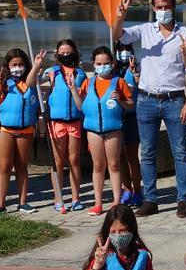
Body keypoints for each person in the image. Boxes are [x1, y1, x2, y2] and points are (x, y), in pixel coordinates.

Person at [111, 0, 186, 218]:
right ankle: (150, 200)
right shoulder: (145, 30)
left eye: (166, 7)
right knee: (147, 152)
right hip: (147, 99)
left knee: (180, 152)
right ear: (153, 8)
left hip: (175, 99)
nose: (162, 11)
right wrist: (120, 16)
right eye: (158, 7)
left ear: (173, 7)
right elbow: (119, 35)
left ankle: (183, 200)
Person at [74, 46, 136, 215]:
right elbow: (81, 106)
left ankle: (117, 201)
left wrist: (121, 100)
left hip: (113, 129)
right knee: (98, 165)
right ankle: (98, 202)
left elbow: (131, 105)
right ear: (93, 64)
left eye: (106, 63)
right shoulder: (88, 83)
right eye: (99, 63)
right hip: (93, 130)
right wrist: (73, 89)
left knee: (114, 164)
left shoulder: (119, 82)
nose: (103, 66)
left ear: (112, 63)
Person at [0, 47, 44, 215]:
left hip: (25, 130)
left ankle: (23, 202)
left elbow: (28, 84)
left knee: (21, 166)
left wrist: (35, 66)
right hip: (5, 130)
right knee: (5, 167)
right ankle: (0, 205)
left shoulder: (32, 80)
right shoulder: (3, 82)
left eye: (21, 64)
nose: (17, 67)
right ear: (8, 65)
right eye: (14, 64)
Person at [82, 205, 159, 270]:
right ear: (107, 232)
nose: (118, 236)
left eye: (123, 230)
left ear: (131, 230)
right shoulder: (103, 256)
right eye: (113, 232)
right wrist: (98, 264)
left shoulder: (142, 256)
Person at [46, 38, 86, 213]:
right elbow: (31, 81)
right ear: (57, 55)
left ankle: (76, 198)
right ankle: (58, 198)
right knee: (58, 161)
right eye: (62, 53)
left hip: (74, 121)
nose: (66, 56)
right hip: (57, 122)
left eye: (69, 53)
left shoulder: (81, 74)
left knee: (74, 160)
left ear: (75, 53)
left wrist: (74, 89)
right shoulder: (52, 72)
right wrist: (36, 65)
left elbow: (82, 101)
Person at [114, 41, 142, 205]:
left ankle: (137, 190)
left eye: (126, 50)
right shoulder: (113, 69)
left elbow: (141, 86)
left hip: (132, 116)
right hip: (116, 117)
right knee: (120, 157)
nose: (123, 53)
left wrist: (135, 74)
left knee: (132, 156)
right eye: (120, 50)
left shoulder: (136, 68)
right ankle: (127, 189)